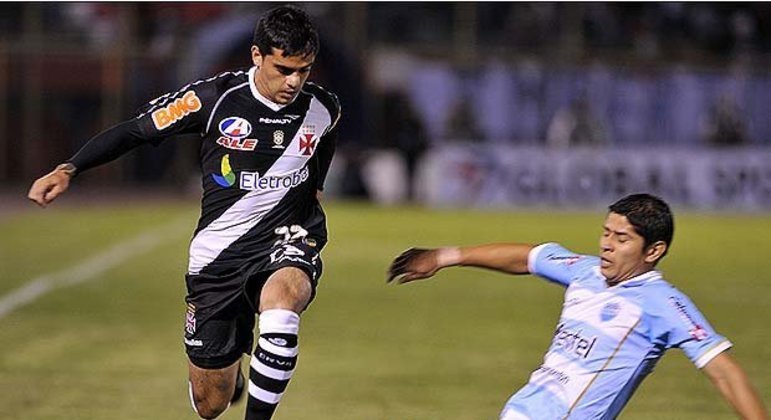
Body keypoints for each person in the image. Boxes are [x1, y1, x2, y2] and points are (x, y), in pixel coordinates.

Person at [27, 6, 340, 420]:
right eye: (285, 69)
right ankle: (229, 373)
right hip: (218, 256)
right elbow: (137, 129)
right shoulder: (212, 99)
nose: (295, 81)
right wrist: (70, 168)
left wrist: (312, 191)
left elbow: (320, 154)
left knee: (282, 304)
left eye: (304, 70)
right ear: (257, 56)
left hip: (287, 238)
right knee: (211, 404)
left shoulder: (324, 108)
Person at [387, 193, 767, 419]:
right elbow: (530, 257)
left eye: (621, 238)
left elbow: (724, 372)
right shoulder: (585, 271)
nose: (606, 244)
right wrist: (444, 256)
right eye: (605, 233)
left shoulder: (663, 304)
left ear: (654, 251)